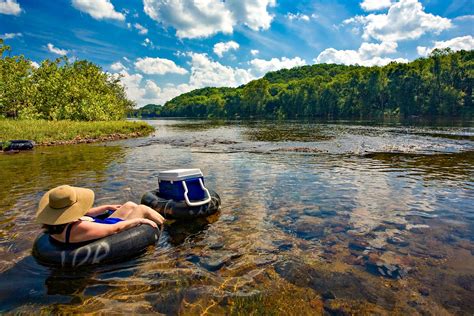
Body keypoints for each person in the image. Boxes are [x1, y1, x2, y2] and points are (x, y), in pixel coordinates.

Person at [36, 185, 165, 245]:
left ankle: (159, 220)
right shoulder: (79, 228)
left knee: (130, 204)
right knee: (142, 208)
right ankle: (165, 224)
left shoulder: (57, 224)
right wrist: (139, 220)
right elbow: (116, 229)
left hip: (102, 225)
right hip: (115, 230)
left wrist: (107, 207)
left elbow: (85, 212)